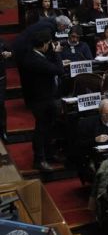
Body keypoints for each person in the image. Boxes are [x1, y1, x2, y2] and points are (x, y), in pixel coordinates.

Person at [26, 31, 64, 171]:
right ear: (43, 45)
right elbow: (59, 70)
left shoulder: (36, 55)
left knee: (48, 128)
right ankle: (39, 160)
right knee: (41, 130)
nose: (50, 46)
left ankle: (49, 154)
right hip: (41, 100)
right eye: (48, 44)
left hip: (47, 98)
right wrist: (57, 53)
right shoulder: (36, 61)